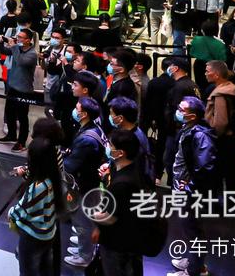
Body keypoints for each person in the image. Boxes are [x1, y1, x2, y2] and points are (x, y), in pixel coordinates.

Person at [171, 96, 218, 276]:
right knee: (188, 228)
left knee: (193, 230)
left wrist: (189, 186)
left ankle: (195, 270)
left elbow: (205, 168)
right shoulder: (188, 129)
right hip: (182, 188)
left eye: (181, 110)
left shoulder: (200, 135)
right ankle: (194, 261)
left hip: (190, 192)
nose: (178, 112)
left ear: (192, 116)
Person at [91, 130, 147, 276]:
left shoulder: (122, 184)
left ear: (120, 153)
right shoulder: (134, 170)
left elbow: (110, 217)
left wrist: (94, 216)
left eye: (111, 145)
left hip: (117, 244)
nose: (108, 148)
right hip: (132, 237)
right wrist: (107, 177)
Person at [63, 96, 106, 269]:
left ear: (84, 114)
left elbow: (71, 165)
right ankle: (85, 245)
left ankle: (85, 255)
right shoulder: (93, 128)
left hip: (84, 185)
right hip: (90, 183)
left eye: (77, 108)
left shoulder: (87, 139)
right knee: (87, 218)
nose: (75, 110)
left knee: (82, 222)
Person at [8, 138, 61, 276]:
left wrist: (11, 213)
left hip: (33, 236)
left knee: (28, 270)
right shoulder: (55, 177)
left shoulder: (38, 187)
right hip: (49, 232)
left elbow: (20, 210)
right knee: (45, 267)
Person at [0, 27, 39, 152]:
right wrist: (0, 43)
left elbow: (20, 61)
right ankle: (11, 135)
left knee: (22, 117)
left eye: (21, 37)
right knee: (9, 113)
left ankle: (22, 142)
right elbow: (4, 51)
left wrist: (14, 46)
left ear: (28, 40)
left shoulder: (32, 54)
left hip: (24, 90)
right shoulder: (18, 49)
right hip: (13, 86)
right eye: (18, 36)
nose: (18, 39)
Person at [203, 60, 235, 191]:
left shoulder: (220, 95)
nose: (205, 73)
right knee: (230, 171)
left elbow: (221, 122)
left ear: (216, 74)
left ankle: (222, 200)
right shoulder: (230, 87)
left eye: (207, 71)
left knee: (222, 172)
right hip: (230, 137)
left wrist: (214, 135)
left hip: (222, 139)